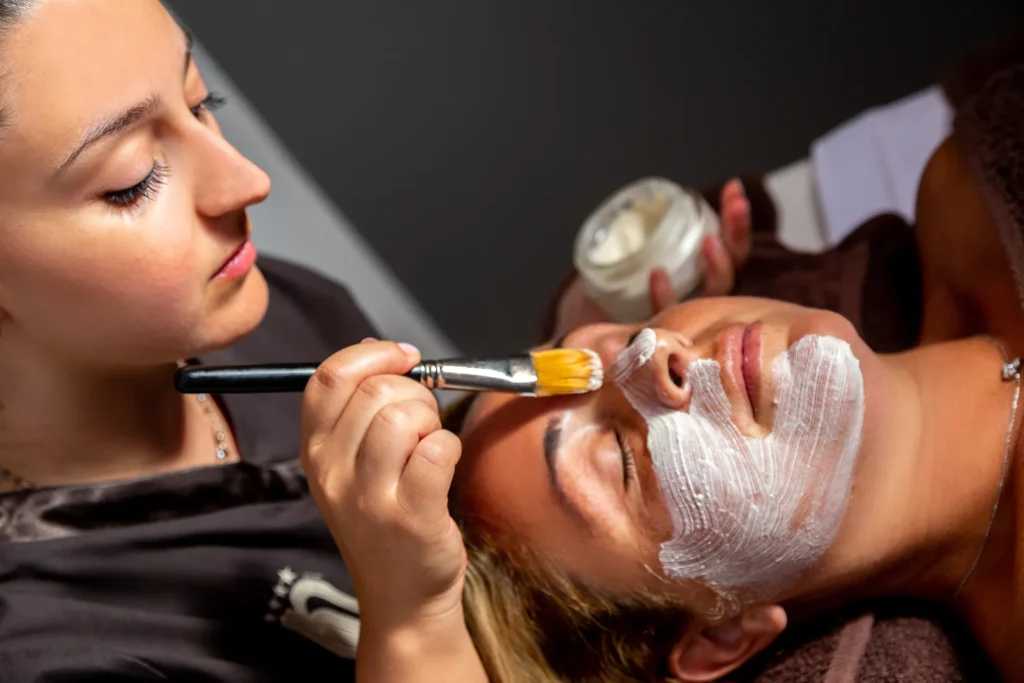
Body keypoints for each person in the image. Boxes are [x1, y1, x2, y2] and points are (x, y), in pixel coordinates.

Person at [0, 1, 754, 681]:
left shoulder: (269, 305)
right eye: (133, 180)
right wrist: (409, 620)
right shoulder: (48, 648)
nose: (247, 181)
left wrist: (562, 347)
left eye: (203, 101)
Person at [318, 50, 1024, 683]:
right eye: (623, 458)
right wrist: (410, 621)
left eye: (608, 347)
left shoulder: (966, 193)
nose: (657, 359)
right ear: (722, 634)